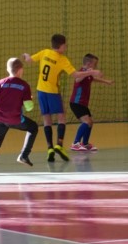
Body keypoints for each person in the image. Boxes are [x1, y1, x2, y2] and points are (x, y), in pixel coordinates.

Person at [23, 33, 99, 162]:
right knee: (61, 117)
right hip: (53, 92)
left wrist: (26, 56)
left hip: (41, 91)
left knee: (47, 120)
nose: (66, 47)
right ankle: (59, 144)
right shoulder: (62, 59)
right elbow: (75, 75)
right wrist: (92, 71)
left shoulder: (44, 52)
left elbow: (29, 60)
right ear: (61, 46)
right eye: (65, 45)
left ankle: (50, 148)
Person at [0, 57, 39, 176]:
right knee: (33, 127)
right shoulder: (24, 85)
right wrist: (29, 99)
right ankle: (24, 155)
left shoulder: (1, 83)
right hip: (15, 119)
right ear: (20, 70)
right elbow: (29, 107)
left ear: (8, 69)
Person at [68, 53, 114, 152]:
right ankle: (75, 143)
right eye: (95, 64)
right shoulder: (81, 72)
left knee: (90, 123)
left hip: (83, 104)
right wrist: (90, 72)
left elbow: (93, 79)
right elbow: (77, 79)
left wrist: (106, 81)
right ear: (89, 64)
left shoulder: (88, 74)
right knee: (86, 122)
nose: (96, 67)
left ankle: (85, 143)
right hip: (76, 103)